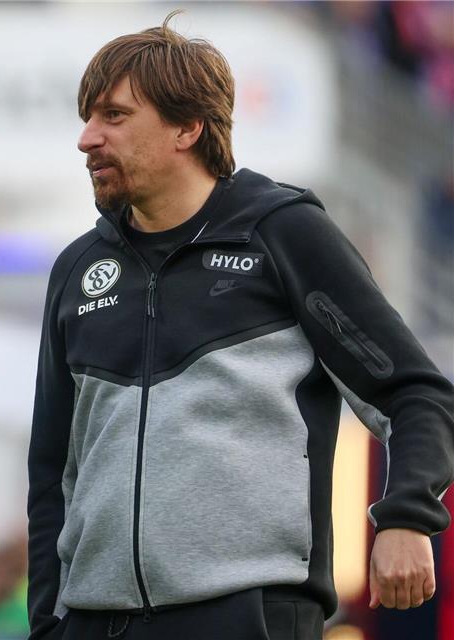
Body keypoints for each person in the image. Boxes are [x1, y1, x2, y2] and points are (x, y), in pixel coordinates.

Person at [27, 14, 454, 640]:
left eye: (114, 116)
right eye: (87, 118)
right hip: (94, 622)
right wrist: (46, 627)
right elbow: (50, 477)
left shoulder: (283, 233)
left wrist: (406, 517)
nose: (88, 138)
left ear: (188, 127)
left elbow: (416, 395)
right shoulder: (77, 269)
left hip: (248, 615)